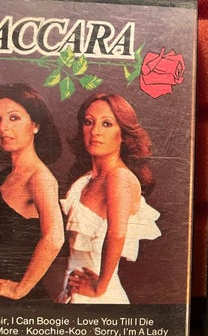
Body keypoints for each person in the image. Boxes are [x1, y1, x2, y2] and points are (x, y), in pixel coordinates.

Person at [57, 93, 160, 304]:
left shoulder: (118, 176)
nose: (95, 131)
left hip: (97, 296)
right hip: (72, 290)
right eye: (89, 122)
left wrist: (99, 288)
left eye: (106, 124)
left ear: (123, 134)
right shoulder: (86, 179)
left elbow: (117, 233)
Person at [0, 83, 64, 301]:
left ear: (35, 124)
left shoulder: (40, 178)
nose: (3, 127)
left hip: (16, 301)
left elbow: (54, 238)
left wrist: (19, 289)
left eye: (14, 118)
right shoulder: (6, 174)